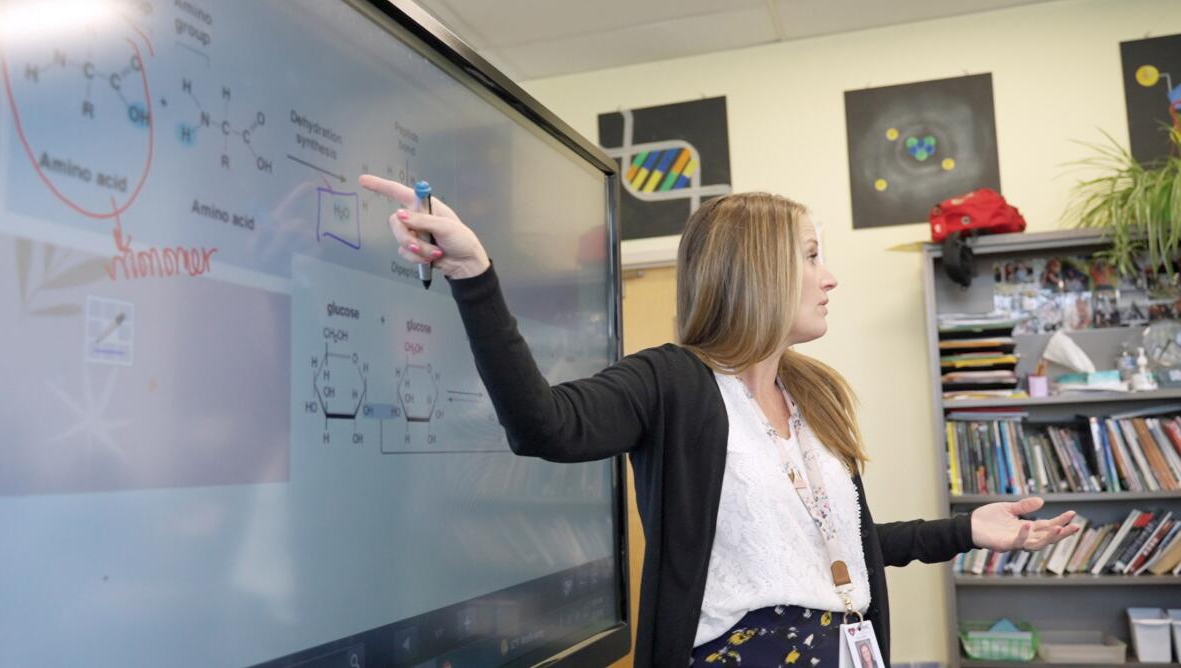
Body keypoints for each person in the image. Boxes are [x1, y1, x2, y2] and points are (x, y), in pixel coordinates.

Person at [359, 175, 1079, 668]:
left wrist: (966, 531)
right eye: (811, 256)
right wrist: (475, 277)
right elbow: (544, 426)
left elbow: (839, 548)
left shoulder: (815, 395)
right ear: (758, 271)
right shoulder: (673, 382)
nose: (829, 277)